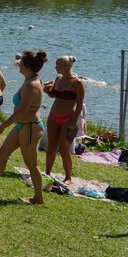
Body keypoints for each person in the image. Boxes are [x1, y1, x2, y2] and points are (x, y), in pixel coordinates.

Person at [0, 50, 48, 205]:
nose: (18, 64)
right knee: (3, 152)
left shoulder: (32, 84)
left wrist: (2, 127)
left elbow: (21, 112)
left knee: (31, 164)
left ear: (27, 66)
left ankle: (38, 198)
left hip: (30, 128)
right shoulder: (30, 79)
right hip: (23, 126)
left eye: (21, 62)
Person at [44, 55, 85, 184]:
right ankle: (47, 173)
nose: (55, 67)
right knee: (51, 147)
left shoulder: (77, 82)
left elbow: (79, 103)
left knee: (63, 149)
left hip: (68, 118)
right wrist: (47, 91)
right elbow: (54, 95)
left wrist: (74, 121)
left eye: (58, 65)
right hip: (53, 115)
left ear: (66, 66)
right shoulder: (58, 79)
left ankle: (68, 177)